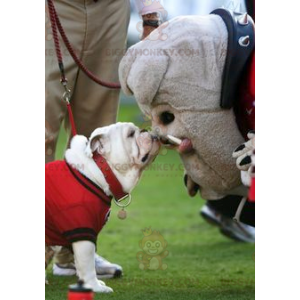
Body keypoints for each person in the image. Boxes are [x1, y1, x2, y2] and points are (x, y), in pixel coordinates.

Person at [45, 0, 166, 278]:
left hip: (111, 9)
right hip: (51, 7)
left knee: (97, 136)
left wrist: (150, 14)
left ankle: (74, 251)